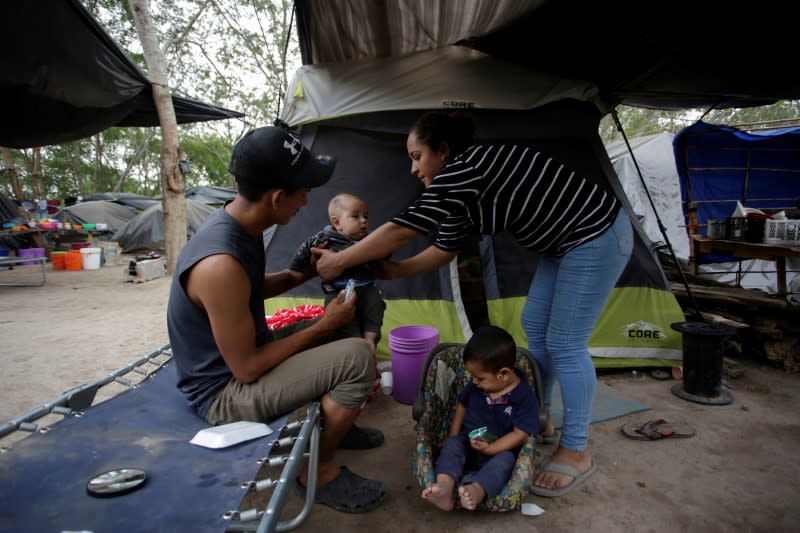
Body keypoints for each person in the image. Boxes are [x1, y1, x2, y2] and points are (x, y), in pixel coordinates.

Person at [314, 110, 634, 498]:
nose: (413, 169)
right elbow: (441, 251)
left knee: (565, 341)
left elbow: (403, 229)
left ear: (443, 152)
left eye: (417, 156)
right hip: (562, 246)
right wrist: (393, 272)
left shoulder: (469, 167)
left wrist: (339, 260)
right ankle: (540, 417)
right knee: (535, 324)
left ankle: (577, 449)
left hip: (596, 235)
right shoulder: (459, 197)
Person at [166, 124, 385, 514]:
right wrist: (324, 325)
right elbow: (247, 368)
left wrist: (304, 274)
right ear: (278, 197)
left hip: (241, 365)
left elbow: (249, 288)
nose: (306, 201)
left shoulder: (239, 228)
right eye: (303, 192)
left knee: (336, 333)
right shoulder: (219, 263)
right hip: (224, 393)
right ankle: (317, 471)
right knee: (354, 355)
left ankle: (337, 426)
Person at [421, 325, 538, 511]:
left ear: (504, 374)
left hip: (499, 449)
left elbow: (520, 434)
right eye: (472, 377)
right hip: (468, 441)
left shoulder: (524, 397)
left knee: (506, 462)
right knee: (452, 446)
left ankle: (476, 490)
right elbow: (462, 404)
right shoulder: (477, 386)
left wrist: (492, 449)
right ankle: (444, 487)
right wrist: (453, 434)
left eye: (480, 378)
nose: (474, 382)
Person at [289, 193, 386, 357]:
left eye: (366, 216)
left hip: (366, 287)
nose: (363, 221)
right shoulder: (326, 237)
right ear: (337, 222)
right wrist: (296, 268)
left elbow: (385, 248)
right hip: (338, 291)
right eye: (355, 216)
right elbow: (305, 249)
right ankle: (355, 344)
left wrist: (384, 253)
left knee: (376, 306)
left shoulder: (369, 239)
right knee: (344, 322)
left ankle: (370, 339)